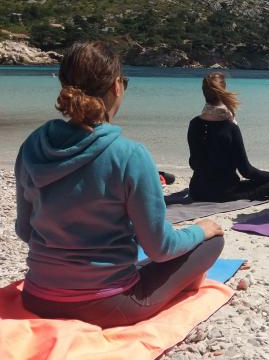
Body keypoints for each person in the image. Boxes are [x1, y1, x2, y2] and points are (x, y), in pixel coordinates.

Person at [14, 41, 224, 328]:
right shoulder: (129, 155)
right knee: (212, 241)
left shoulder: (32, 146)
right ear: (116, 86)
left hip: (37, 297)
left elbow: (25, 230)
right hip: (107, 305)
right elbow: (159, 248)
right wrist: (201, 229)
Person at [188, 72, 269, 202]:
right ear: (223, 91)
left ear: (204, 93)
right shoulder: (230, 127)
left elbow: (194, 164)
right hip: (225, 193)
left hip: (196, 191)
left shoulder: (194, 123)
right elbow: (246, 171)